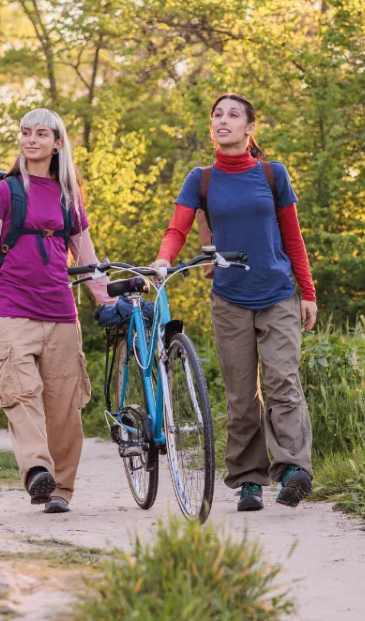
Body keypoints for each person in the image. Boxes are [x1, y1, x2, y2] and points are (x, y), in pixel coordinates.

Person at [151, 93, 318, 512]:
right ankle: (248, 481)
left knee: (283, 382)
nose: (223, 121)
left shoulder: (272, 174)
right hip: (230, 299)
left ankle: (294, 470)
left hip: (278, 293)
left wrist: (308, 292)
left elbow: (293, 238)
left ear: (250, 128)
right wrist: (162, 260)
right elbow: (177, 228)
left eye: (233, 115)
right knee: (241, 395)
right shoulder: (201, 179)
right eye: (217, 115)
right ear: (212, 127)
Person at [0, 108, 113, 514]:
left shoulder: (69, 196)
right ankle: (37, 471)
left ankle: (62, 489)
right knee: (19, 393)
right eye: (26, 132)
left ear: (57, 143)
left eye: (41, 133)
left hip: (61, 312)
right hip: (12, 310)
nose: (31, 140)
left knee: (65, 407)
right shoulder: (4, 192)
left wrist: (108, 301)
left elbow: (87, 256)